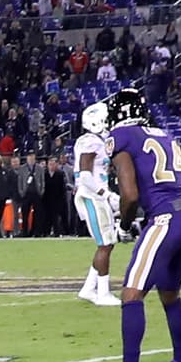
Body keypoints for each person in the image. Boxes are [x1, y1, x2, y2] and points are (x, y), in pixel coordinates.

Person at [91, 89, 181, 362]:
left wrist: (125, 224)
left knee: (131, 293)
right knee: (169, 294)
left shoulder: (121, 136)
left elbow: (130, 194)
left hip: (166, 218)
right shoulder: (163, 134)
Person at [73, 103, 122, 306]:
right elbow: (85, 176)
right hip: (92, 196)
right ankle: (103, 293)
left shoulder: (96, 140)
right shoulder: (90, 141)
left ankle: (88, 288)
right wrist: (106, 194)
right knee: (105, 244)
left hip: (96, 196)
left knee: (108, 243)